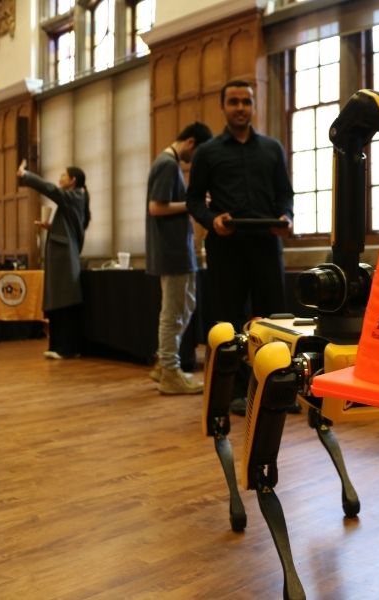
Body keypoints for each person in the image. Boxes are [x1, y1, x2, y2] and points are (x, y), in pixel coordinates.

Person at [186, 80, 294, 414]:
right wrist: (212, 219)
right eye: (233, 102)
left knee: (275, 319)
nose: (240, 108)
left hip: (265, 244)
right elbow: (193, 200)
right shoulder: (207, 153)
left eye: (246, 102)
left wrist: (286, 216)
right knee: (229, 322)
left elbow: (285, 194)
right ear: (223, 107)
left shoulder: (272, 148)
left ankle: (279, 390)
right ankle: (233, 393)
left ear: (254, 105)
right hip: (226, 247)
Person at [146, 122, 212, 394]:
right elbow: (156, 207)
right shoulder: (167, 164)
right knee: (174, 311)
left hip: (175, 249)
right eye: (198, 153)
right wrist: (193, 204)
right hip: (172, 250)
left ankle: (164, 364)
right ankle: (170, 370)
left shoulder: (168, 163)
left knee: (183, 307)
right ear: (190, 143)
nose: (195, 160)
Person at [17, 159, 90, 360]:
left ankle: (67, 348)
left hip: (64, 256)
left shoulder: (75, 195)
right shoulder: (76, 196)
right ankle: (58, 346)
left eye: (64, 176)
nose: (60, 179)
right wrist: (51, 227)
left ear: (73, 180)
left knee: (64, 300)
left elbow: (50, 190)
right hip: (62, 254)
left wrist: (26, 176)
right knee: (58, 300)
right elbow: (71, 225)